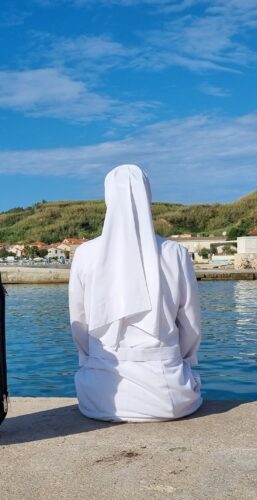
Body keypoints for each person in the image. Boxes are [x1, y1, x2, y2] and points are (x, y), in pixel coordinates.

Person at [69, 164, 202, 422]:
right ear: (148, 196)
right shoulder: (175, 253)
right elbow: (191, 326)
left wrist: (94, 358)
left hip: (99, 395)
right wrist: (180, 360)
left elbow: (79, 324)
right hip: (167, 394)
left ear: (108, 197)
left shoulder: (84, 253)